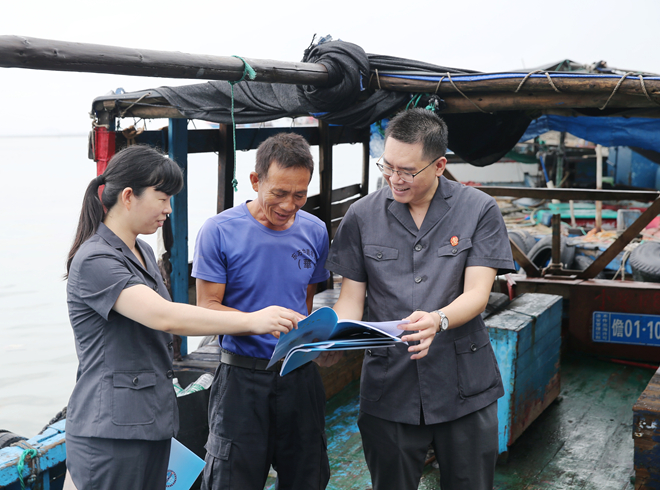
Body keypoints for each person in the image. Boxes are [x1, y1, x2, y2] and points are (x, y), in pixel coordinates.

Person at [64, 145, 302, 490]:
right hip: (111, 429)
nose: (168, 209)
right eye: (162, 198)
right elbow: (164, 316)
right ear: (129, 196)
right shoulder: (95, 259)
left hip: (151, 420)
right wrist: (252, 320)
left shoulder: (142, 250)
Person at [325, 108, 515, 490]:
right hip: (388, 386)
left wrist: (438, 320)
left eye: (407, 171)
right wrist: (331, 335)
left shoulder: (478, 209)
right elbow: (351, 300)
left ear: (440, 165)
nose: (395, 179)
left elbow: (478, 293)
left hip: (464, 386)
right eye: (387, 166)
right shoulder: (361, 216)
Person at [192, 133, 331, 490]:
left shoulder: (315, 231)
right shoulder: (219, 231)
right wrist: (257, 322)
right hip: (240, 379)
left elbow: (307, 300)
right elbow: (206, 308)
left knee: (308, 476)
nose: (289, 205)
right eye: (279, 193)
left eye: (300, 194)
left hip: (299, 376)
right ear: (256, 181)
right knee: (231, 480)